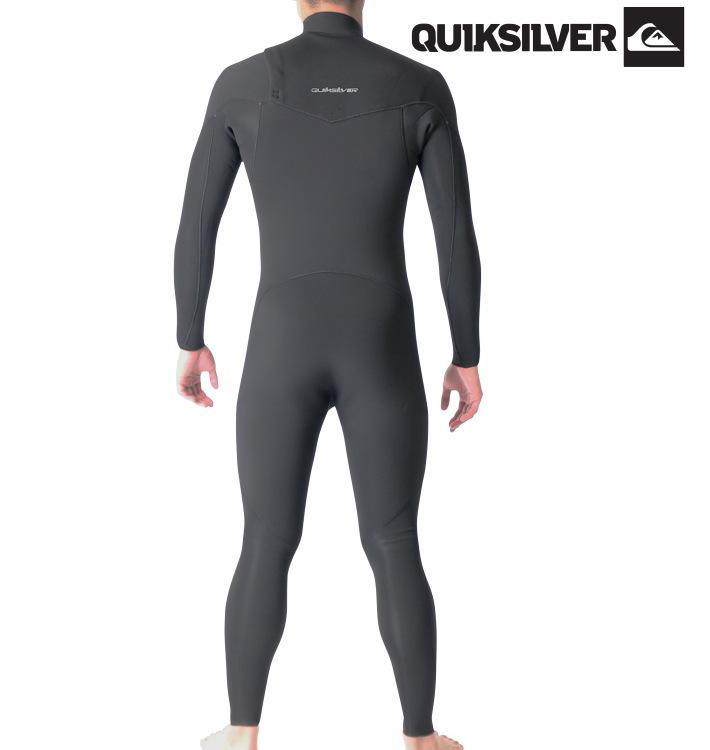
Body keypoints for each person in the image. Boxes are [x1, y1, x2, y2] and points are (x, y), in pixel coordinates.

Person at [173, 1, 482, 748]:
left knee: (265, 538)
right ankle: (420, 739)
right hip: (382, 339)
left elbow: (196, 225)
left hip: (281, 338)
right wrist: (466, 353)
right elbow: (454, 236)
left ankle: (242, 734)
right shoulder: (420, 85)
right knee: (395, 538)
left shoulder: (243, 84)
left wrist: (191, 337)